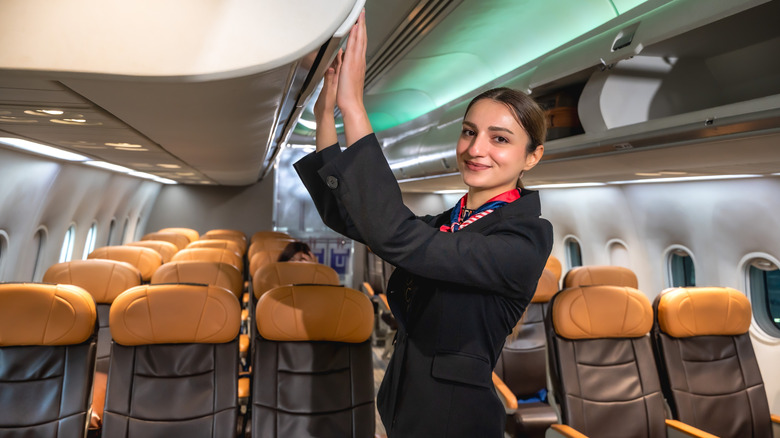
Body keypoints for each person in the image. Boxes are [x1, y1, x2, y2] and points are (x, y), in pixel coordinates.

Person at [294, 11, 553, 437]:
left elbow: (396, 235)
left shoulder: (525, 238)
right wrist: (326, 118)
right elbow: (351, 217)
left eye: (500, 138)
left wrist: (354, 106)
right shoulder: (453, 222)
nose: (476, 148)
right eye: (469, 132)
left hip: (455, 423)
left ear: (532, 157)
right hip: (403, 408)